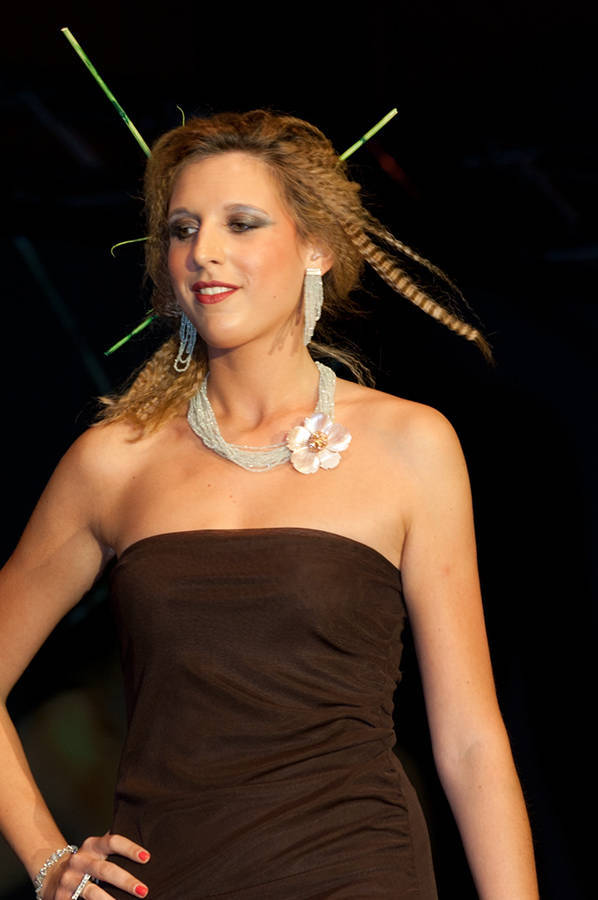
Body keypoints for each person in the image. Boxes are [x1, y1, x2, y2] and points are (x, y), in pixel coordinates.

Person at [0, 109, 538, 899]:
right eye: (183, 229)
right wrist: (49, 861)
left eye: (241, 223)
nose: (203, 251)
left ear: (317, 246)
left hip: (355, 869)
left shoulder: (411, 445)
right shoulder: (113, 463)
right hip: (168, 878)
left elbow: (468, 739)